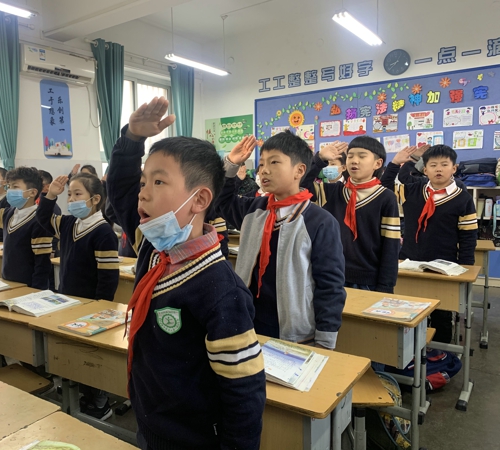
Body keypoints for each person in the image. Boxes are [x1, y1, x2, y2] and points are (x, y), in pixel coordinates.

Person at [107, 97, 265, 450]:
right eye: (144, 182)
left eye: (158, 183)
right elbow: (119, 190)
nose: (143, 194)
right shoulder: (152, 246)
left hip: (194, 439)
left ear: (199, 200)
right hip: (151, 422)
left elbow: (244, 392)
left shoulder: (219, 289)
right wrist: (132, 139)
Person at [215, 131, 346, 349]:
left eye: (274, 162)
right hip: (248, 321)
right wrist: (230, 163)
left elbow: (330, 286)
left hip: (293, 331)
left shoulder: (319, 221)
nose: (264, 170)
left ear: (299, 171)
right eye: (261, 164)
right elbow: (221, 200)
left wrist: (325, 341)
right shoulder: (253, 209)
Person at [37, 172, 119, 420]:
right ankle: (81, 392)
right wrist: (51, 195)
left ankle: (100, 402)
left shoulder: (103, 232)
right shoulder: (69, 223)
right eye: (69, 194)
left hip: (92, 306)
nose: (71, 199)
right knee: (72, 350)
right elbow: (42, 218)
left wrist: (100, 308)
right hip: (69, 301)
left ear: (95, 199)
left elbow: (108, 278)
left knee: (91, 355)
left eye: (77, 194)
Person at [381, 144, 478, 342]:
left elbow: (468, 236)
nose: (438, 169)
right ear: (424, 170)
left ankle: (442, 353)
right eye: (433, 165)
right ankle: (411, 351)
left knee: (442, 313)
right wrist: (395, 163)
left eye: (444, 164)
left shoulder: (463, 199)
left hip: (444, 266)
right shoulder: (412, 190)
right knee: (408, 310)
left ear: (454, 168)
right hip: (409, 262)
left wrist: (465, 268)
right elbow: (384, 187)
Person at [301, 137, 400, 293]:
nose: (354, 160)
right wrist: (319, 159)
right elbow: (301, 186)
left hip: (368, 281)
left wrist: (386, 286)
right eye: (351, 156)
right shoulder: (332, 191)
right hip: (331, 275)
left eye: (362, 156)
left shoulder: (386, 197)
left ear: (377, 163)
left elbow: (390, 245)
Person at [0, 167, 53, 289]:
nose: (10, 191)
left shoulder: (39, 220)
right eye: (9, 187)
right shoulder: (9, 213)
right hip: (9, 281)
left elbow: (42, 262)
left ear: (32, 192)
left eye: (15, 187)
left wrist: (37, 290)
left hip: (29, 285)